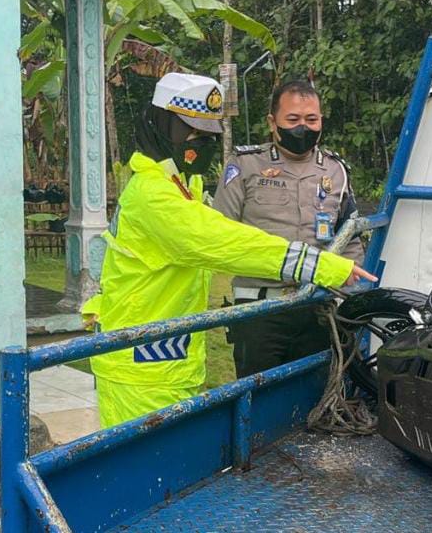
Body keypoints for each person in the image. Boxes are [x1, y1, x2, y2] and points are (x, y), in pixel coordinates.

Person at [83, 73, 376, 428]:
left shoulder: (179, 182)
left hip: (168, 354)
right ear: (162, 127)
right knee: (143, 465)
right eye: (193, 134)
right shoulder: (154, 196)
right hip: (141, 361)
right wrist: (319, 266)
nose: (202, 145)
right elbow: (227, 240)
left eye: (209, 136)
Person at [213, 80, 364, 378]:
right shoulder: (246, 165)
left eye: (312, 119)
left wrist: (351, 297)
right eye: (293, 120)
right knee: (258, 397)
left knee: (316, 394)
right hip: (259, 308)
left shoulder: (335, 170)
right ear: (273, 122)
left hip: (318, 307)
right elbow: (220, 235)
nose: (303, 128)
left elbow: (350, 237)